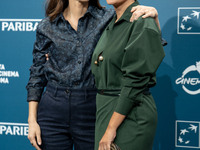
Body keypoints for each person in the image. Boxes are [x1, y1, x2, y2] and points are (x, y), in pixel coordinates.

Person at [26, 0, 162, 150]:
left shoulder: (109, 17)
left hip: (92, 106)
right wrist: (32, 120)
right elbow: (36, 74)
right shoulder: (47, 26)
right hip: (53, 107)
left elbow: (145, 43)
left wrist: (153, 17)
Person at [91, 0, 165, 150]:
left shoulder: (142, 19)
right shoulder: (111, 21)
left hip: (129, 113)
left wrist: (111, 128)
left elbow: (135, 80)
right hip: (106, 111)